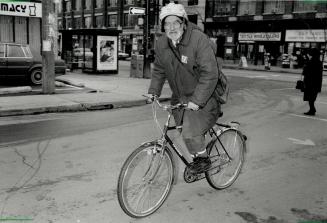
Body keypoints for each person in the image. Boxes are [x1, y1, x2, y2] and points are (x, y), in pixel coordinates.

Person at [147, 3, 222, 173]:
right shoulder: (161, 44)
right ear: (163, 26)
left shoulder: (198, 40)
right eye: (167, 23)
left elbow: (210, 74)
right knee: (182, 130)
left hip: (203, 97)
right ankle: (198, 152)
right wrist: (153, 92)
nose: (171, 27)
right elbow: (159, 69)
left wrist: (197, 101)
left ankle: (203, 160)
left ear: (184, 23)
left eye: (176, 23)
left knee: (190, 131)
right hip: (180, 98)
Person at [302, 48, 323, 116]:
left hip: (309, 83)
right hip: (317, 83)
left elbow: (305, 72)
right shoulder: (319, 63)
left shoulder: (310, 62)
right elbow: (319, 74)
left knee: (310, 98)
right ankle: (312, 110)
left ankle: (312, 110)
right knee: (312, 98)